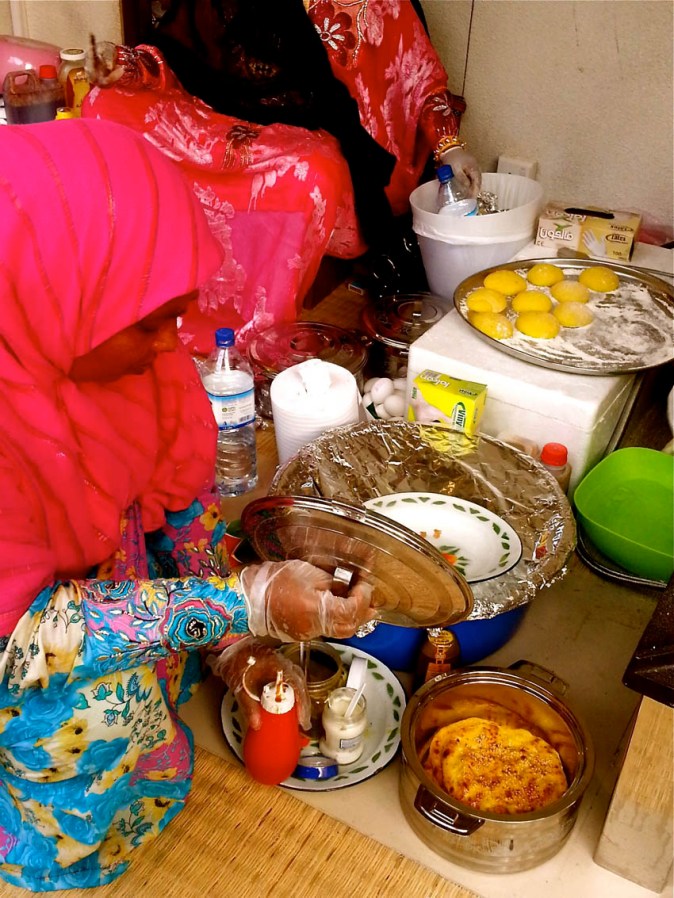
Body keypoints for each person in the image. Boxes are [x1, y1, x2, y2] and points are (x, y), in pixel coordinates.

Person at [0, 118, 373, 891]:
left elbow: (178, 509)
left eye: (175, 310)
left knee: (174, 633)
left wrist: (235, 638)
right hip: (24, 642)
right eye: (145, 320)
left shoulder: (142, 366)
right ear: (46, 299)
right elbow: (30, 639)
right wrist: (243, 603)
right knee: (104, 707)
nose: (172, 339)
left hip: (92, 590)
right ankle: (54, 839)